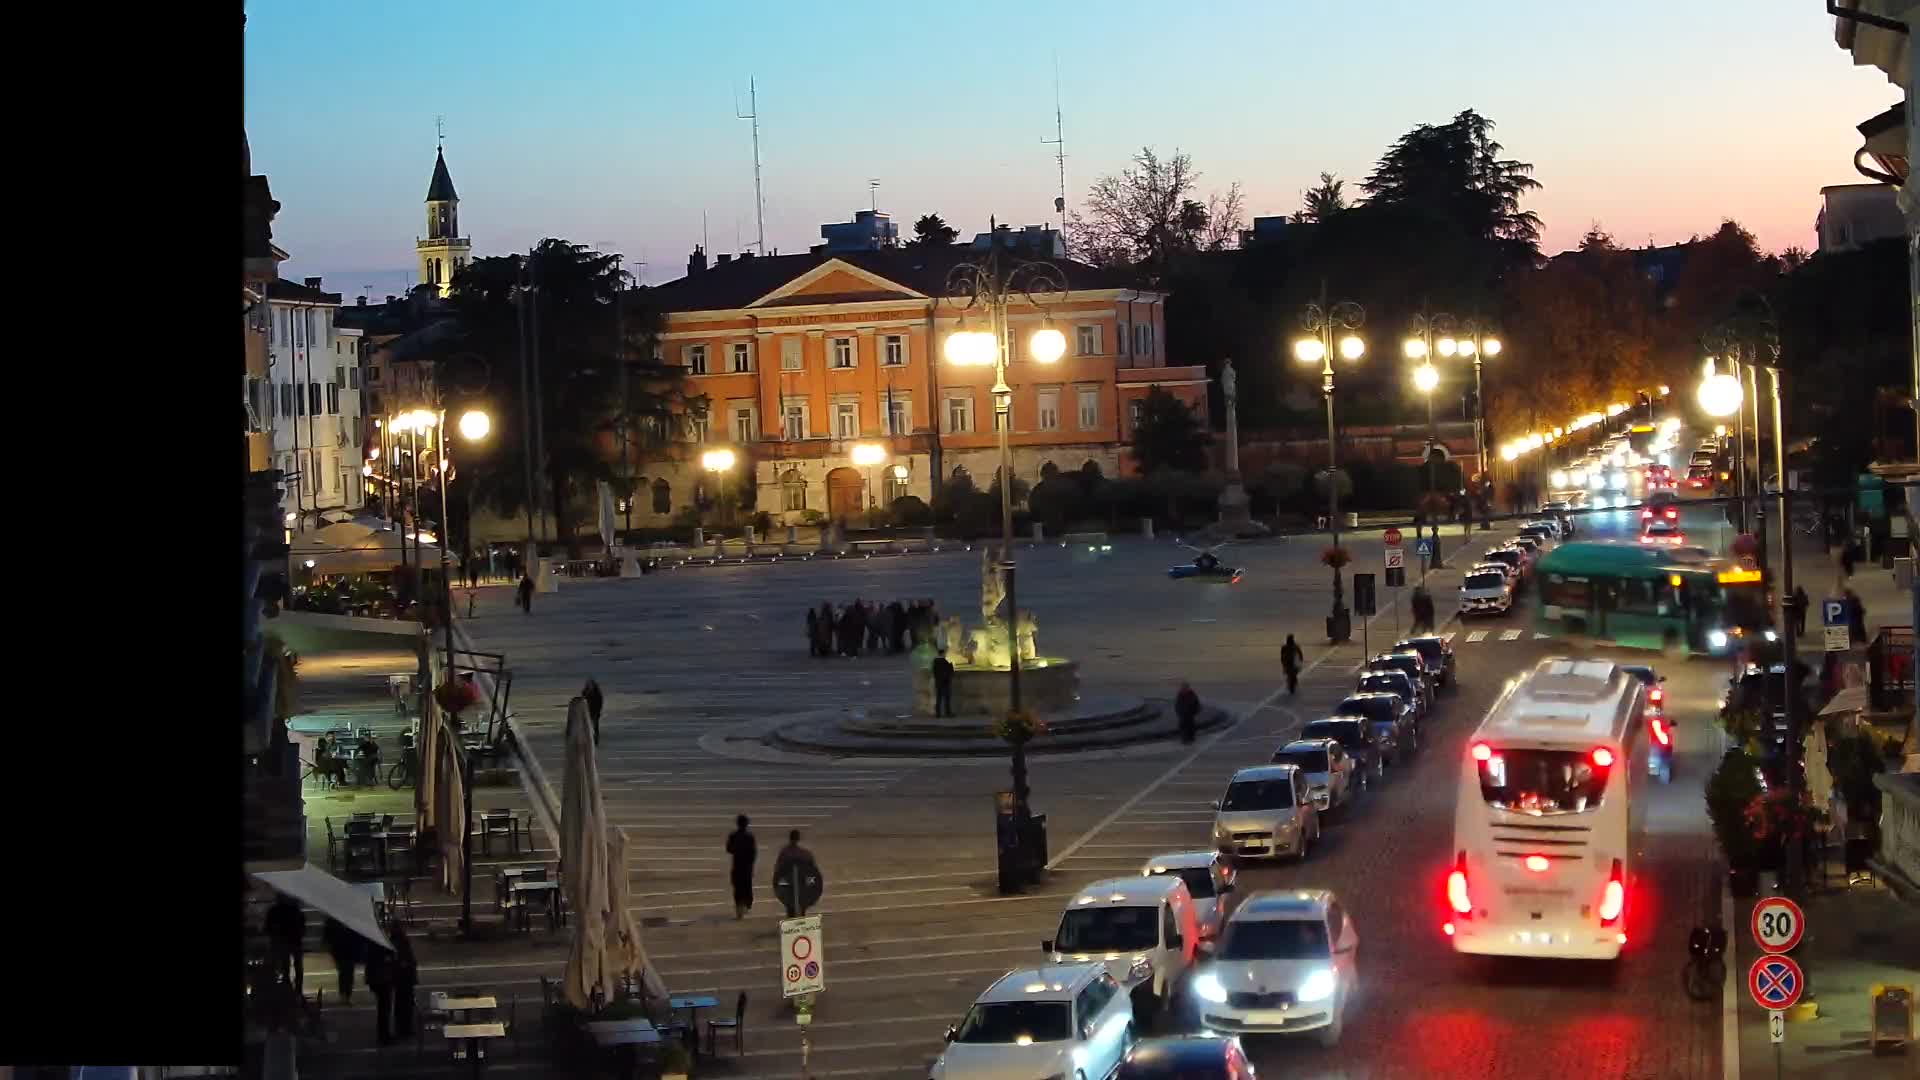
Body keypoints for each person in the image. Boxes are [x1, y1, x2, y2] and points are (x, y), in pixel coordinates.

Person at [264, 893, 306, 993]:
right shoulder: (295, 910)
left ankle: (287, 987)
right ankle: (298, 988)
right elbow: (302, 925)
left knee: (285, 964)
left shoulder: (275, 911)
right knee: (297, 965)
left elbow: (269, 926)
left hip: (283, 940)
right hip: (295, 940)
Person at [773, 829, 818, 918]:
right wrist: (810, 885)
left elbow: (778, 870)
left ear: (790, 838)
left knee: (790, 906)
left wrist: (780, 885)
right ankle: (800, 924)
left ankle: (792, 924)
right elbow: (811, 871)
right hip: (801, 884)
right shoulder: (805, 853)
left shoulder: (784, 852)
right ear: (798, 838)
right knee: (802, 905)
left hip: (789, 884)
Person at [321, 916, 362, 1004]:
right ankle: (345, 994)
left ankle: (345, 994)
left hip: (343, 947)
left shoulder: (335, 919)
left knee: (345, 971)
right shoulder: (343, 920)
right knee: (347, 971)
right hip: (343, 947)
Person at [725, 815, 757, 919]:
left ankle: (739, 908)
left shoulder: (733, 836)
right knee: (747, 887)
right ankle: (746, 905)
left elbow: (729, 849)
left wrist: (737, 850)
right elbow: (753, 853)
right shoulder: (749, 837)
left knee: (738, 887)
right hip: (746, 866)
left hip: (737, 865)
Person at [931, 653, 955, 718]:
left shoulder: (936, 660)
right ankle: (948, 713)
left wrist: (937, 678)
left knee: (939, 698)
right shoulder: (948, 659)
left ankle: (938, 713)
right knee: (947, 698)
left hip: (939, 681)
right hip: (946, 681)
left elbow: (934, 671)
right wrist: (950, 676)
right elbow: (951, 670)